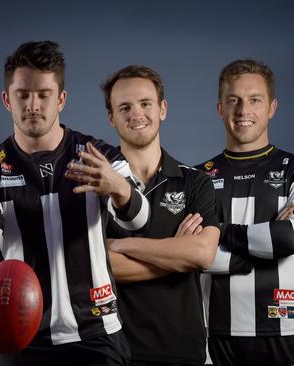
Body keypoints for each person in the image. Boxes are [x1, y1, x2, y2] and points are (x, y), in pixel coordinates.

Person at [0, 41, 150, 366]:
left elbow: (139, 220)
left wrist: (119, 189)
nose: (33, 104)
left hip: (96, 334)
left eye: (44, 94)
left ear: (61, 99)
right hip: (20, 337)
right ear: (7, 99)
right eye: (23, 94)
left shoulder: (98, 156)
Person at [197, 59, 294, 366]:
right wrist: (266, 241)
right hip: (213, 336)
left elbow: (291, 238)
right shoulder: (197, 179)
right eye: (233, 100)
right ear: (219, 108)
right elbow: (191, 256)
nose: (243, 111)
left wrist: (220, 232)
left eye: (255, 100)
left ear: (272, 107)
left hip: (284, 331)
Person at [100, 65, 220, 365]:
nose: (136, 114)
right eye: (124, 107)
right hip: (114, 349)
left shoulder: (196, 182)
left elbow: (203, 254)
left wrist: (121, 245)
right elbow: (98, 267)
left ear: (162, 109)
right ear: (111, 117)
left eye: (145, 104)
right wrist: (175, 256)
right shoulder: (94, 186)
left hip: (183, 350)